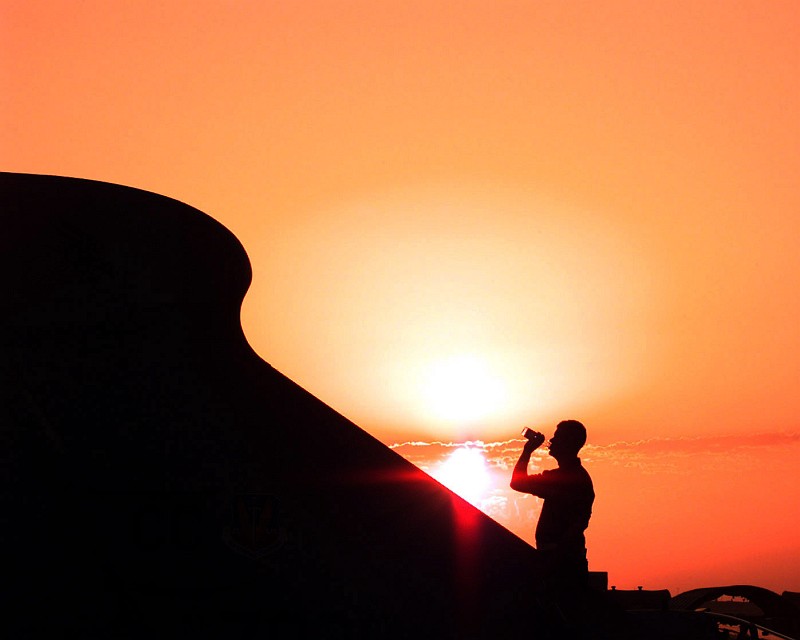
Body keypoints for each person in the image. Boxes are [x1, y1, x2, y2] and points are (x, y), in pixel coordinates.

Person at [510, 419, 594, 591]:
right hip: (566, 561)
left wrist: (527, 451)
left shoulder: (564, 479)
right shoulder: (575, 476)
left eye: (558, 437)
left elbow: (517, 483)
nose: (552, 441)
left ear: (569, 443)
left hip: (561, 564)